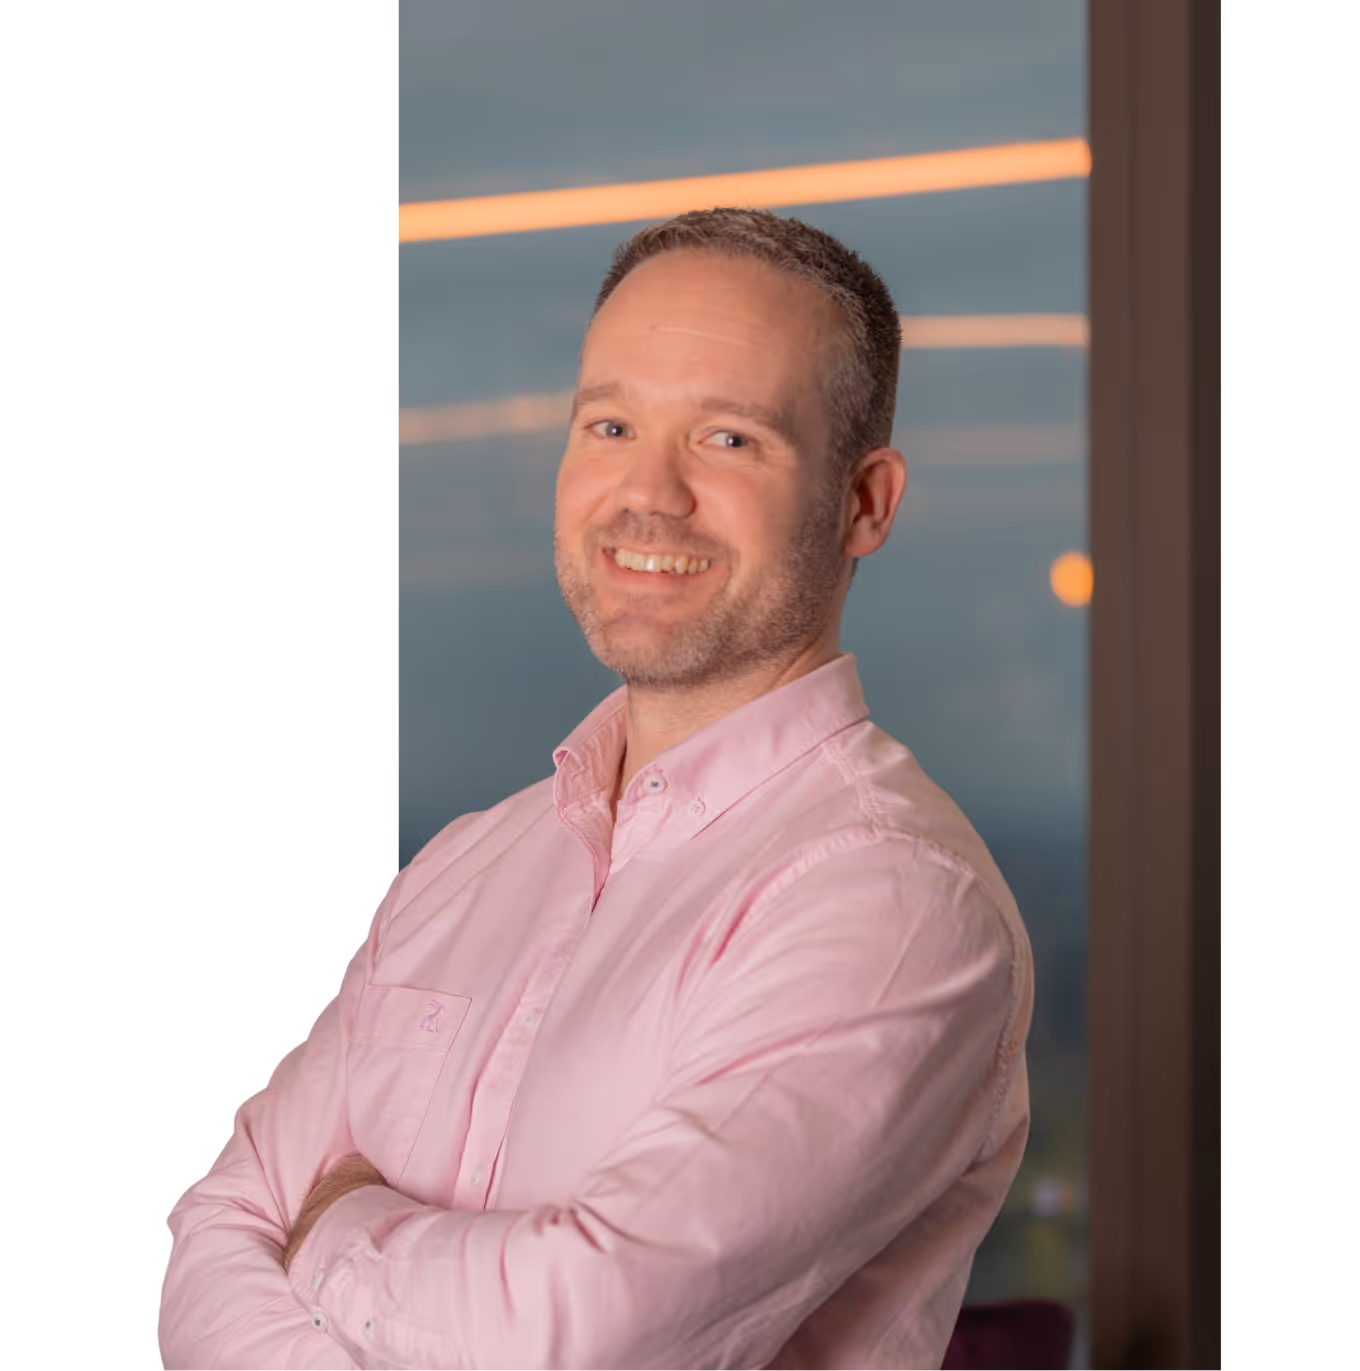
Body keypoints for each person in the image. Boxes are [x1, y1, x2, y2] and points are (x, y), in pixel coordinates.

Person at [158, 208, 1034, 1370]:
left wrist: (335, 1231)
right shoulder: (467, 867)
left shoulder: (893, 901)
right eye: (611, 424)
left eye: (728, 440)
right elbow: (211, 1240)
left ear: (864, 502)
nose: (647, 495)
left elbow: (592, 1334)